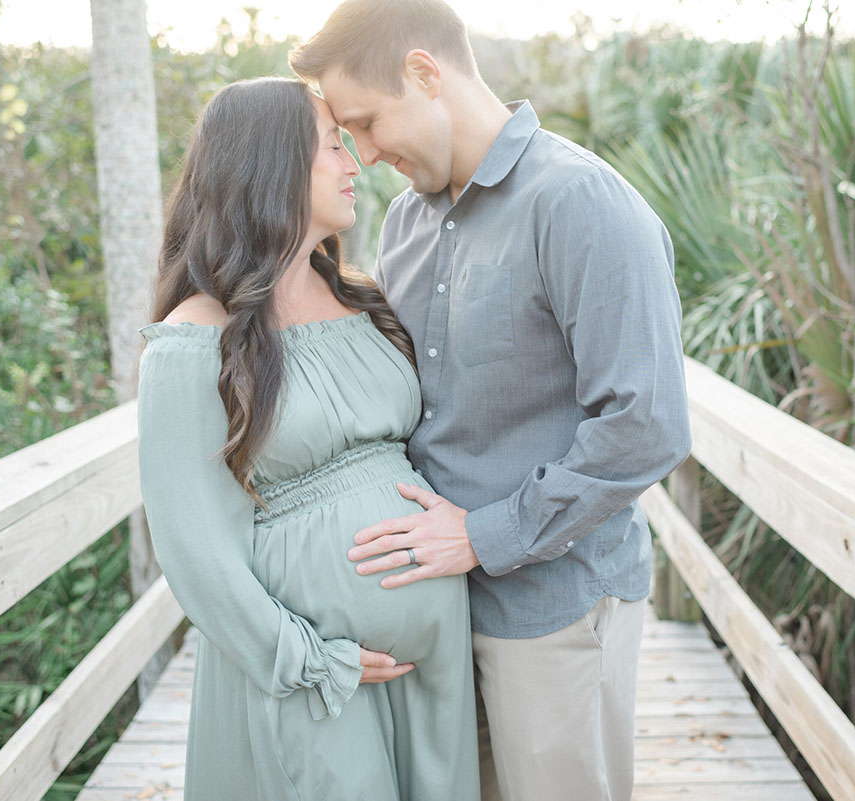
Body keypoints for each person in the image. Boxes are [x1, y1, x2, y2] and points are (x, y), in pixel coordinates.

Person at [290, 3, 693, 800]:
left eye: (366, 123)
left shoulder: (581, 202)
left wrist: (482, 535)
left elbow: (647, 426)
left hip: (553, 610)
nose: (364, 153)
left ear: (423, 73)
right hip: (434, 613)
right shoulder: (405, 224)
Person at [135, 76, 480, 801]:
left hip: (431, 662)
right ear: (273, 165)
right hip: (313, 677)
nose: (357, 162)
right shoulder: (195, 338)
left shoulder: (360, 297)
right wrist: (311, 661)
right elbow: (194, 550)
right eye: (333, 146)